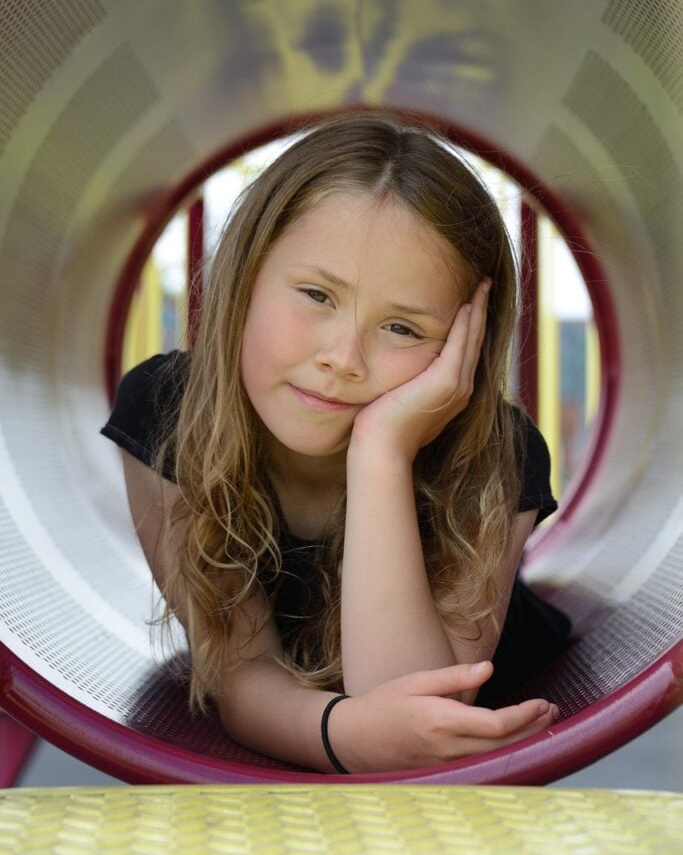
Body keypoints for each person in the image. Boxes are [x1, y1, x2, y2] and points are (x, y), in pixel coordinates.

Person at [102, 111, 571, 773]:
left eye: (402, 329)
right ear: (246, 277)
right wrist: (342, 734)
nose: (343, 358)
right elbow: (241, 674)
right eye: (317, 294)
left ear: (465, 345)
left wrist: (381, 451)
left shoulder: (496, 449)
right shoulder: (168, 414)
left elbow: (418, 705)